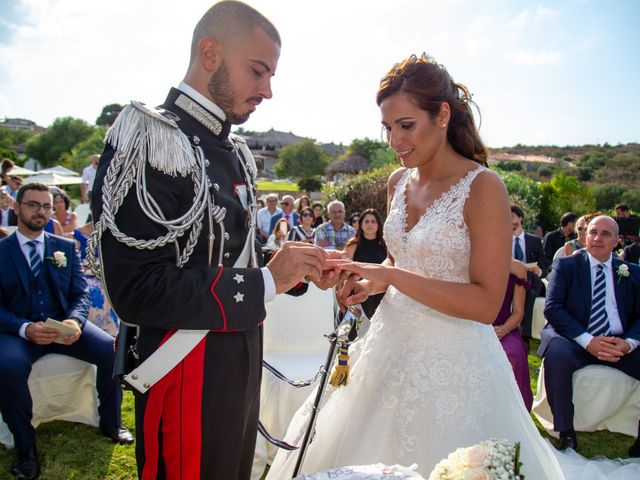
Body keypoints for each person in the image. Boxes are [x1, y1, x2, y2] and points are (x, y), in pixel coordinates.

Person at [267, 53, 565, 479]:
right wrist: (369, 284)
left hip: (456, 362)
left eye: (405, 125)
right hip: (387, 343)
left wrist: (388, 276)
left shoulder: (482, 187)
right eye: (387, 127)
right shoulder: (397, 182)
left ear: (442, 114)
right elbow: (398, 260)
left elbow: (485, 303)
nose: (394, 140)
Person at [90, 2, 335, 479]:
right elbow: (137, 289)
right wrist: (266, 281)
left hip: (237, 359)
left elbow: (215, 252)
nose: (267, 90)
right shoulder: (154, 137)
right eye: (258, 71)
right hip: (185, 369)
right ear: (209, 53)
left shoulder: (233, 149)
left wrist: (294, 268)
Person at [0, 183, 132, 480]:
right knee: (7, 368)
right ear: (17, 207)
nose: (41, 211)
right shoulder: (1, 251)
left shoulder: (64, 247)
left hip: (64, 327)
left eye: (47, 206)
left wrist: (74, 321)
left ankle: (110, 422)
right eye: (33, 205)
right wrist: (25, 329)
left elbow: (81, 293)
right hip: (18, 333)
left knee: (112, 351)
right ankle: (25, 448)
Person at [539, 215, 640, 452]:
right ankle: (566, 432)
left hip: (618, 341)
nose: (597, 238)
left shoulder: (632, 272)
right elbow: (553, 308)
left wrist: (629, 344)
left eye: (605, 234)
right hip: (575, 339)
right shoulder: (567, 266)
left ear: (617, 240)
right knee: (557, 356)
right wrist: (588, 341)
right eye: (593, 232)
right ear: (584, 236)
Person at [493, 259, 533, 410]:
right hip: (470, 327)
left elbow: (518, 312)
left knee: (512, 355)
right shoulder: (465, 259)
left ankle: (513, 414)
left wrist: (503, 330)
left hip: (504, 328)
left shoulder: (517, 268)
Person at [510, 205, 546, 346]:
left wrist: (539, 271)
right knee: (526, 289)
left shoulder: (534, 241)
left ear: (520, 218)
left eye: (512, 216)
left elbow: (544, 266)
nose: (510, 220)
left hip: (532, 279)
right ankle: (521, 334)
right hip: (510, 278)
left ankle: (523, 334)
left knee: (529, 288)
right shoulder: (502, 238)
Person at [343, 208, 387, 319]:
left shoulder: (386, 245)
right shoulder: (352, 245)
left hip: (382, 293)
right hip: (357, 293)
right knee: (355, 332)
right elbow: (344, 270)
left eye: (373, 221)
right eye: (366, 221)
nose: (369, 224)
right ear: (361, 225)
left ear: (379, 225)